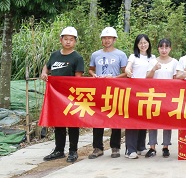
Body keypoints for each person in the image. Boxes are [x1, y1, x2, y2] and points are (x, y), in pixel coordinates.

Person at [41, 27, 85, 163]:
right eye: (66, 39)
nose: (68, 42)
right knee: (58, 122)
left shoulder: (77, 58)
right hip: (56, 95)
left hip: (71, 96)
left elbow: (78, 78)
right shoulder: (54, 55)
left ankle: (73, 151)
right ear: (61, 40)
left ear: (75, 41)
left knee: (72, 123)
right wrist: (44, 73)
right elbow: (47, 67)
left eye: (71, 39)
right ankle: (59, 150)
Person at [88, 26, 128, 159]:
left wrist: (114, 78)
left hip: (115, 90)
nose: (107, 40)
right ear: (101, 40)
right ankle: (97, 148)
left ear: (114, 39)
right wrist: (94, 75)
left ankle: (115, 147)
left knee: (115, 118)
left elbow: (126, 73)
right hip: (99, 90)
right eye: (104, 38)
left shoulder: (121, 55)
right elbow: (91, 69)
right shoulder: (95, 54)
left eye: (109, 38)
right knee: (97, 118)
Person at [145, 38, 178, 158]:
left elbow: (176, 79)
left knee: (167, 121)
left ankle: (166, 147)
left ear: (170, 49)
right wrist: (154, 69)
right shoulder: (153, 61)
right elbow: (147, 77)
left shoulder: (174, 62)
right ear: (158, 48)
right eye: (161, 47)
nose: (164, 50)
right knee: (153, 120)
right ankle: (152, 147)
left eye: (166, 47)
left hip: (168, 95)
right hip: (154, 95)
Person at [125, 34, 156, 159]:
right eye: (140, 43)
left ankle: (141, 147)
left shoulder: (152, 57)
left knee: (143, 119)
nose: (143, 45)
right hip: (134, 92)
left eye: (145, 42)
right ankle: (130, 149)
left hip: (147, 92)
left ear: (149, 43)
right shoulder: (133, 57)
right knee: (133, 120)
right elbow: (128, 68)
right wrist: (128, 70)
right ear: (137, 45)